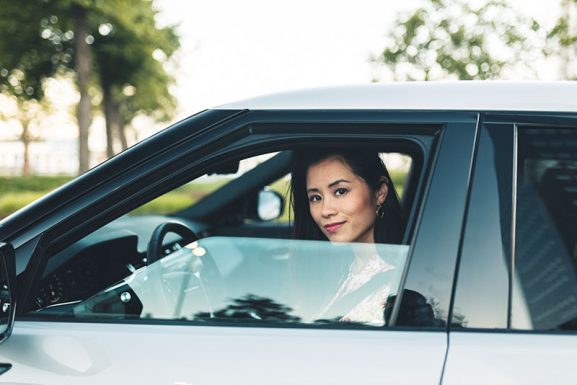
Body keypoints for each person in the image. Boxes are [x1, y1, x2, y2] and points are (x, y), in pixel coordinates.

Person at [289, 148, 405, 325]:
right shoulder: (334, 274)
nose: (326, 210)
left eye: (340, 191)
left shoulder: (398, 285)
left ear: (380, 192)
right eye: (316, 198)